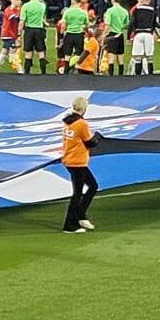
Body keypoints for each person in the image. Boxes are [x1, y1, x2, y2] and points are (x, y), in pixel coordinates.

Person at [59, 97, 103, 233]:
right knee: (80, 193)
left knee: (91, 187)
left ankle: (80, 216)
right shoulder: (81, 124)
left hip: (69, 159)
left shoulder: (68, 121)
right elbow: (90, 143)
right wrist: (98, 137)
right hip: (77, 161)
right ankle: (70, 224)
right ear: (84, 109)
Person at [58, 0, 92, 74]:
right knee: (79, 53)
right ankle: (76, 69)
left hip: (69, 34)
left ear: (72, 1)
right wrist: (86, 32)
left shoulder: (67, 12)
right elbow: (87, 25)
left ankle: (66, 70)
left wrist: (61, 37)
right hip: (79, 34)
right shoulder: (83, 12)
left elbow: (63, 26)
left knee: (67, 54)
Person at [21, 0, 50, 74]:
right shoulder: (42, 5)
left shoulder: (26, 6)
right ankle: (43, 73)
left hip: (29, 29)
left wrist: (19, 33)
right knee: (41, 52)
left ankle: (27, 73)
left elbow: (22, 21)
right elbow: (42, 17)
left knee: (28, 52)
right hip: (39, 30)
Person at [0, 0, 24, 72]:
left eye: (20, 0)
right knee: (13, 54)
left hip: (13, 34)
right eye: (17, 0)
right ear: (12, 0)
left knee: (4, 53)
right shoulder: (8, 10)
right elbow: (14, 18)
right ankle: (20, 71)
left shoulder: (18, 9)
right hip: (8, 34)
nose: (19, 2)